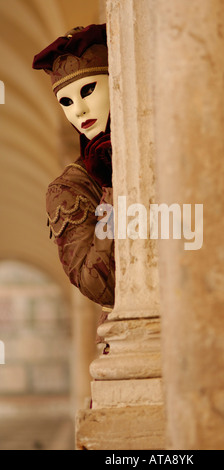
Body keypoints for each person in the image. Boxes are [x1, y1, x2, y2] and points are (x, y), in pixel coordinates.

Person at [32, 24, 115, 315]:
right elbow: (99, 285)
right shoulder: (69, 188)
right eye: (66, 102)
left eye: (88, 90)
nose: (78, 110)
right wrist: (113, 196)